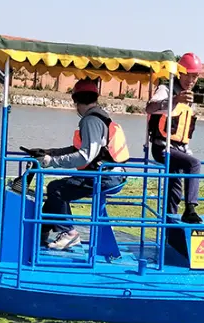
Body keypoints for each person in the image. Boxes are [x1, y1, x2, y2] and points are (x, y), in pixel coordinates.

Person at [29, 78, 130, 250]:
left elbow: (85, 156)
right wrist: (50, 152)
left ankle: (69, 234)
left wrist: (51, 162)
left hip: (105, 177)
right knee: (58, 190)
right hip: (111, 173)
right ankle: (41, 232)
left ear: (76, 101)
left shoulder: (90, 121)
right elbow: (78, 148)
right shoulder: (100, 116)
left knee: (56, 189)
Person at [145, 52, 203, 224]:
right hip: (162, 147)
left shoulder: (191, 98)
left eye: (195, 76)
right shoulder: (166, 89)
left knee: (174, 187)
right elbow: (150, 108)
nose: (191, 80)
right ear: (180, 73)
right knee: (194, 163)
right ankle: (190, 209)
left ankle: (169, 227)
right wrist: (175, 100)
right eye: (188, 75)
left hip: (179, 149)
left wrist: (187, 150)